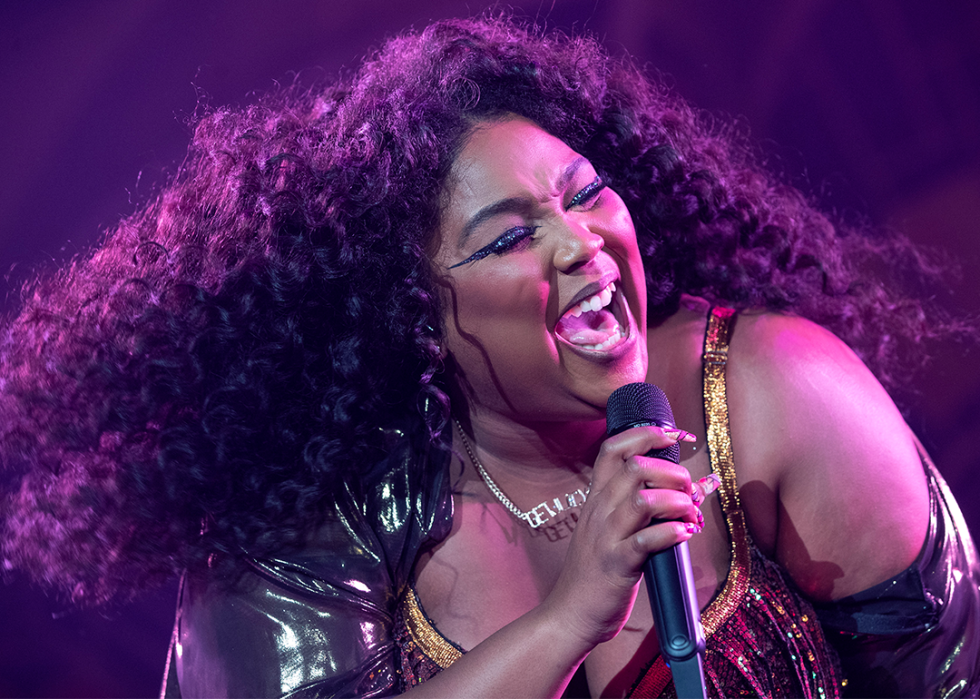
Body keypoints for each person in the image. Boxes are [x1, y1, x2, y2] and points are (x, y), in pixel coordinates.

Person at [1, 15, 977, 698]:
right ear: (417, 314)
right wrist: (568, 621)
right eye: (508, 239)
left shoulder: (771, 394)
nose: (578, 243)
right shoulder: (307, 519)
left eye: (585, 192)